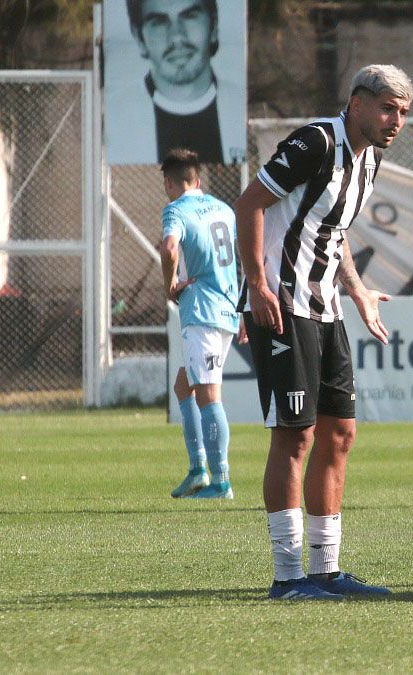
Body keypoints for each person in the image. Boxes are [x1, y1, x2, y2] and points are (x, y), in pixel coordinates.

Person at [233, 64, 413, 601]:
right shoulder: (314, 141)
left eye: (403, 112)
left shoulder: (370, 159)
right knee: (295, 436)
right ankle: (288, 579)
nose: (395, 121)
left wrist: (356, 289)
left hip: (327, 309)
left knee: (340, 434)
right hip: (283, 307)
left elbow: (332, 233)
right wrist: (256, 286)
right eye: (387, 108)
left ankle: (325, 572)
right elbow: (250, 204)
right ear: (356, 103)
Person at [158, 148, 242, 499]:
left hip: (202, 311)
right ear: (198, 179)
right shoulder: (223, 208)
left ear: (169, 183)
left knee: (208, 394)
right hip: (226, 307)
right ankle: (198, 470)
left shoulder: (176, 210)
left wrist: (170, 285)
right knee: (184, 386)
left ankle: (220, 480)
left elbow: (169, 248)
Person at [116, 0, 245, 164]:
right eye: (159, 22)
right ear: (139, 37)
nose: (176, 36)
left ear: (213, 26)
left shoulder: (240, 107)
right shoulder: (119, 119)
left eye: (189, 16)